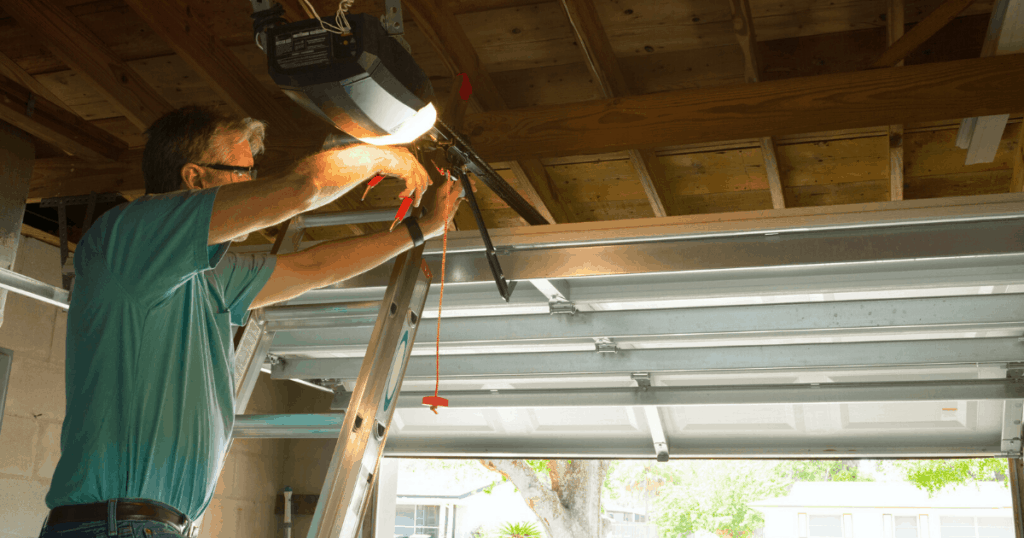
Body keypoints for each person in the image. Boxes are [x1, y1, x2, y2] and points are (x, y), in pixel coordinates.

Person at [38, 106, 464, 538]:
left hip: (142, 525)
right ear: (194, 178)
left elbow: (312, 268)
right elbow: (299, 188)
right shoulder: (131, 237)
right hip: (119, 525)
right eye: (243, 173)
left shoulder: (208, 275)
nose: (252, 184)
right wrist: (384, 156)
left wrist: (422, 229)